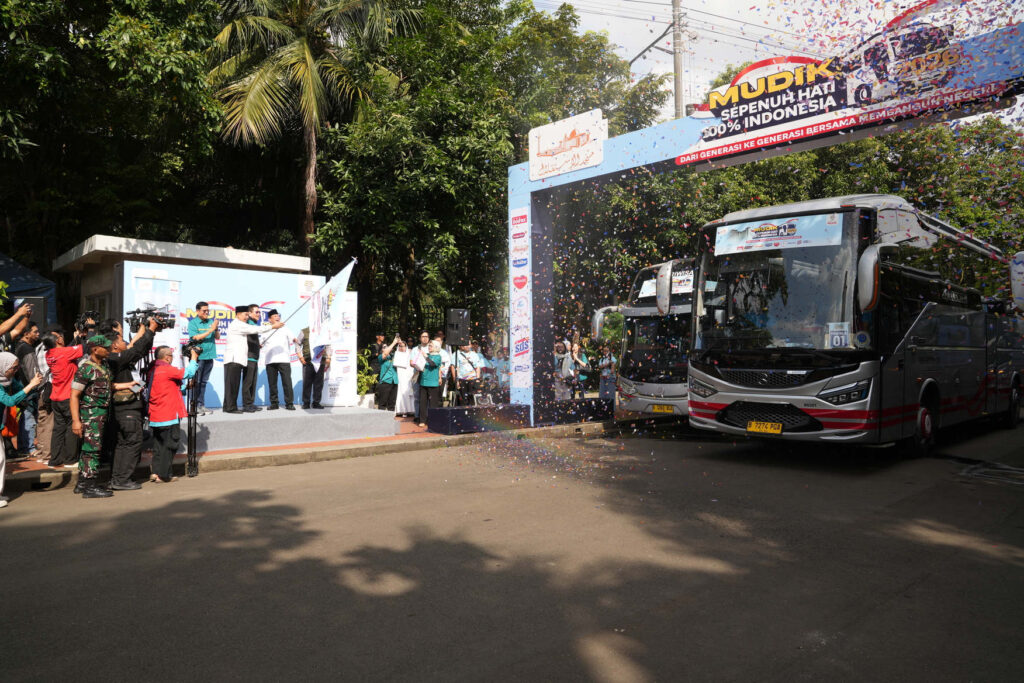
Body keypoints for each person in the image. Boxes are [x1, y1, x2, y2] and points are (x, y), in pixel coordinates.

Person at [105, 317, 158, 490]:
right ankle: (122, 480)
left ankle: (118, 478)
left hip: (128, 407)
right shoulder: (116, 358)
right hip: (127, 410)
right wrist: (151, 330)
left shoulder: (120, 360)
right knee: (132, 443)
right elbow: (137, 349)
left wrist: (146, 331)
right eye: (121, 341)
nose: (125, 343)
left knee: (124, 444)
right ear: (114, 346)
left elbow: (138, 350)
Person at [70, 335, 116, 498]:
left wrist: (130, 385)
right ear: (95, 349)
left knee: (89, 449)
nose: (109, 350)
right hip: (91, 415)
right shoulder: (85, 369)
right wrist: (76, 421)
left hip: (101, 414)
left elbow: (109, 386)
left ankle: (82, 483)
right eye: (106, 347)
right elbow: (74, 395)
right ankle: (90, 487)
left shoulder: (104, 366)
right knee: (92, 450)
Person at [147, 345, 200, 483]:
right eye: (172, 356)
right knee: (170, 444)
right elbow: (188, 373)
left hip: (157, 415)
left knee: (159, 445)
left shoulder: (153, 369)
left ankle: (155, 472)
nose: (172, 358)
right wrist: (194, 358)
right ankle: (163, 475)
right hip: (168, 415)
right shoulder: (166, 369)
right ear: (167, 357)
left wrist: (184, 386)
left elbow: (166, 387)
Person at [0, 352, 44, 508]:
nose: (16, 370)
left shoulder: (8, 380)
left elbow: (24, 391)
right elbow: (10, 401)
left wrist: (35, 385)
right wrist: (31, 385)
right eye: (13, 367)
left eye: (17, 367)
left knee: (1, 459)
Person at [223, 306, 281, 413]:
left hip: (237, 359)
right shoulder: (238, 324)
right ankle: (230, 407)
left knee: (233, 385)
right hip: (233, 359)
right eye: (245, 315)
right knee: (232, 385)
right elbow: (255, 329)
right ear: (238, 314)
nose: (247, 317)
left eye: (247, 315)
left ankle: (229, 407)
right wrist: (272, 326)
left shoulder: (240, 324)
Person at [43, 328, 83, 468]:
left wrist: (77, 338)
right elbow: (85, 347)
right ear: (58, 340)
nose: (62, 337)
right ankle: (70, 459)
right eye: (59, 336)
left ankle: (55, 459)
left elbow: (68, 350)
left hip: (56, 397)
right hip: (69, 397)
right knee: (72, 427)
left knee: (58, 429)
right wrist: (87, 332)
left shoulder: (49, 354)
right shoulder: (64, 353)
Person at [260, 309, 299, 410]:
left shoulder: (285, 328)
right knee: (272, 384)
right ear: (270, 319)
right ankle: (274, 403)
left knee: (287, 382)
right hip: (270, 361)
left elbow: (293, 338)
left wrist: (295, 339)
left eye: (278, 316)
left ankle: (289, 403)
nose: (277, 317)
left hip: (284, 360)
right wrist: (259, 345)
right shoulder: (266, 330)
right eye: (275, 316)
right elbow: (260, 343)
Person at [186, 301, 220, 415]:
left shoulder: (210, 322)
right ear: (197, 311)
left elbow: (217, 337)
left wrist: (215, 328)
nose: (206, 313)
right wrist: (210, 330)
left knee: (204, 382)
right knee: (196, 381)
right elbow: (195, 338)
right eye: (204, 311)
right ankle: (194, 406)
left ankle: (201, 405)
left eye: (207, 311)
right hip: (198, 357)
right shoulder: (193, 323)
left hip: (210, 356)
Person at [14, 321, 41, 458]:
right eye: (35, 332)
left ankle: (24, 446)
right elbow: (32, 372)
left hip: (23, 388)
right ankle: (28, 447)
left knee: (26, 417)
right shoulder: (27, 349)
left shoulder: (19, 346)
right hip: (28, 389)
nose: (38, 334)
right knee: (28, 417)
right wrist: (36, 386)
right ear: (26, 333)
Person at [297, 326, 330, 409]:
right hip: (308, 360)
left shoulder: (323, 331)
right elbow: (297, 343)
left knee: (319, 383)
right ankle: (306, 403)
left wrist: (329, 357)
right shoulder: (304, 331)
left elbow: (328, 344)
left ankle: (316, 402)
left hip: (320, 360)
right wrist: (300, 356)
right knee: (307, 383)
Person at [417, 340, 443, 427]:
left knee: (433, 403)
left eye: (431, 346)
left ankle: (433, 420)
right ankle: (422, 420)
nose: (429, 347)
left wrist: (425, 356)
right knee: (422, 402)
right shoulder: (427, 355)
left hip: (433, 383)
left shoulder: (438, 356)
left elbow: (432, 364)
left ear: (436, 347)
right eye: (429, 346)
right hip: (423, 382)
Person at [244, 304, 263, 411]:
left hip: (254, 358)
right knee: (248, 382)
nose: (259, 314)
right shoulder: (249, 323)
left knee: (253, 382)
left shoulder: (253, 324)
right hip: (249, 357)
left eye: (259, 312)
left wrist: (257, 345)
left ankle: (251, 403)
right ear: (250, 313)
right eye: (256, 312)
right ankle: (247, 404)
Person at [376, 334, 400, 411]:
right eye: (384, 347)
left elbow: (403, 353)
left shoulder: (394, 356)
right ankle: (381, 418)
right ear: (381, 350)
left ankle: (391, 418)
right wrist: (394, 343)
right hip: (385, 382)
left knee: (392, 404)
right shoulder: (380, 357)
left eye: (387, 346)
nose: (386, 348)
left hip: (394, 381)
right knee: (382, 404)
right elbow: (385, 354)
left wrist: (399, 343)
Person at [394, 338, 417, 416]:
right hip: (400, 377)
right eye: (400, 346)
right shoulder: (396, 354)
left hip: (408, 377)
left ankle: (410, 410)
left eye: (403, 346)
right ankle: (401, 410)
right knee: (400, 392)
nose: (401, 348)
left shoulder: (409, 354)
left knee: (409, 393)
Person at [369, 332, 385, 408]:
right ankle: (370, 401)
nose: (383, 337)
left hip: (382, 366)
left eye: (383, 335)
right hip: (374, 366)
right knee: (372, 384)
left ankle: (380, 401)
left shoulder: (384, 345)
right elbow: (372, 355)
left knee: (381, 384)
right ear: (377, 336)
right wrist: (380, 352)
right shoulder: (373, 345)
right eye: (381, 335)